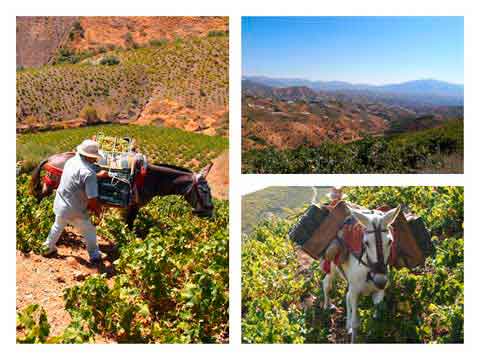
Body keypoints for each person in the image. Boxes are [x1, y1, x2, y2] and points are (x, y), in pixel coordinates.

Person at [42, 139, 108, 264]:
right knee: (89, 229)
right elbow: (92, 199)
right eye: (94, 157)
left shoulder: (71, 161)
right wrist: (98, 211)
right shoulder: (89, 174)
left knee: (57, 226)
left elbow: (77, 176)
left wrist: (98, 175)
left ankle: (47, 248)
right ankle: (95, 256)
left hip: (61, 205)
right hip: (76, 209)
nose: (95, 160)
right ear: (88, 156)